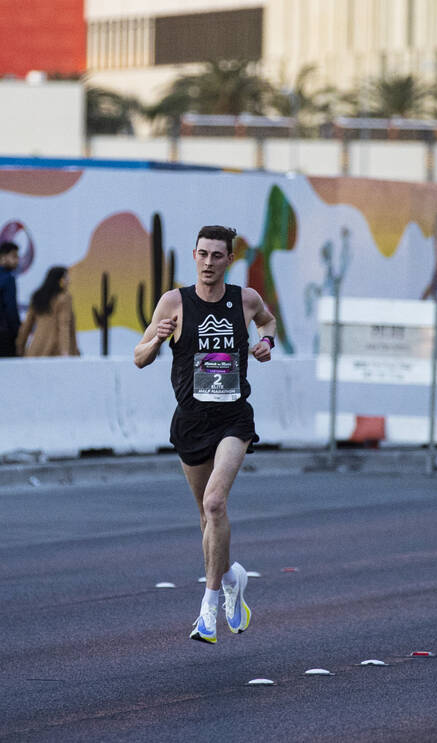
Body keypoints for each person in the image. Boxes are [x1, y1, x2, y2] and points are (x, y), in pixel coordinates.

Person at [134, 225, 277, 644]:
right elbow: (139, 357)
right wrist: (156, 342)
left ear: (229, 259)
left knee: (216, 503)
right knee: (206, 517)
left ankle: (208, 609)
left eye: (218, 256)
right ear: (193, 256)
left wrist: (266, 342)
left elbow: (267, 323)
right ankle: (232, 577)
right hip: (191, 424)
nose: (209, 263)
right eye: (203, 255)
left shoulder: (244, 300)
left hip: (233, 420)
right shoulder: (174, 302)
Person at [17, 265, 80, 357]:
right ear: (60, 281)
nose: (69, 281)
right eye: (66, 278)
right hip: (56, 351)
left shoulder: (37, 297)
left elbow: (27, 325)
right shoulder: (64, 298)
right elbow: (63, 326)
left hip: (37, 349)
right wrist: (65, 352)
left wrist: (20, 346)